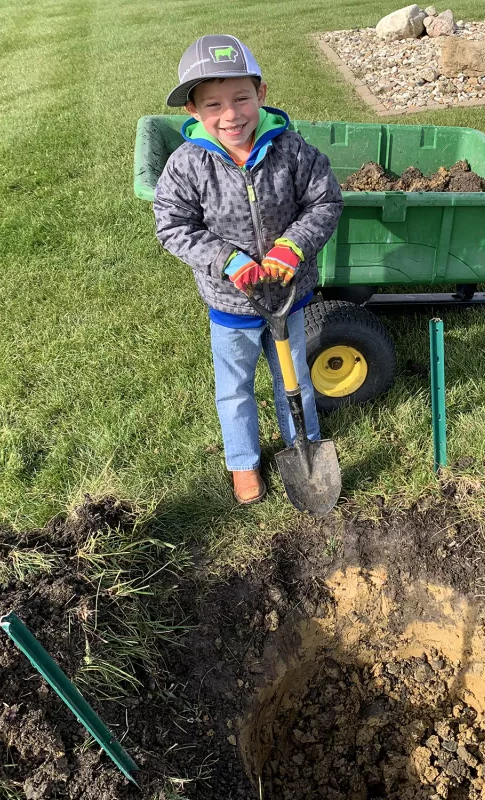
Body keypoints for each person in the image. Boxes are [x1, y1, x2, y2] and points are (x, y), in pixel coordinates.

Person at [153, 34, 344, 505]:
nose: (231, 114)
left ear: (261, 93)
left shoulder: (292, 150)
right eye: (213, 104)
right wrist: (228, 260)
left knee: (293, 376)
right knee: (234, 387)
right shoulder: (187, 165)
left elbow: (325, 200)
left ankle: (304, 443)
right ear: (194, 110)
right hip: (230, 305)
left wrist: (292, 247)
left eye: (241, 98)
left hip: (287, 294)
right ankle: (243, 463)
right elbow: (173, 226)